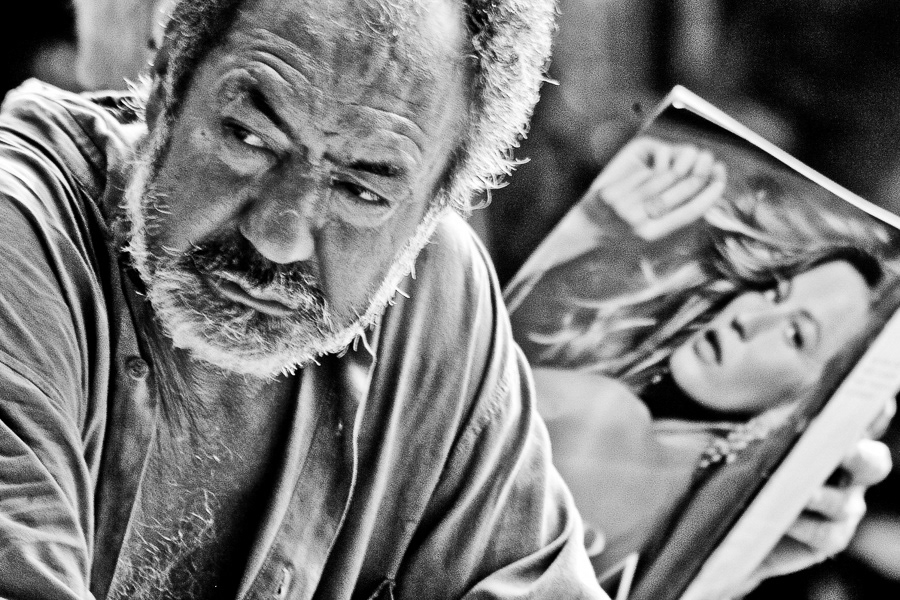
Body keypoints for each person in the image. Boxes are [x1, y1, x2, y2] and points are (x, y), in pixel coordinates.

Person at [0, 0, 610, 598]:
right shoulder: (20, 230)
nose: (278, 235)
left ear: (434, 209)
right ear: (164, 86)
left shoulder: (441, 301)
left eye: (359, 190)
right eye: (249, 137)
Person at [507, 138, 898, 586]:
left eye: (795, 335)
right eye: (775, 292)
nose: (748, 318)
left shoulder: (600, 415)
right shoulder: (680, 528)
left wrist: (584, 230)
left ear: (804, 402)